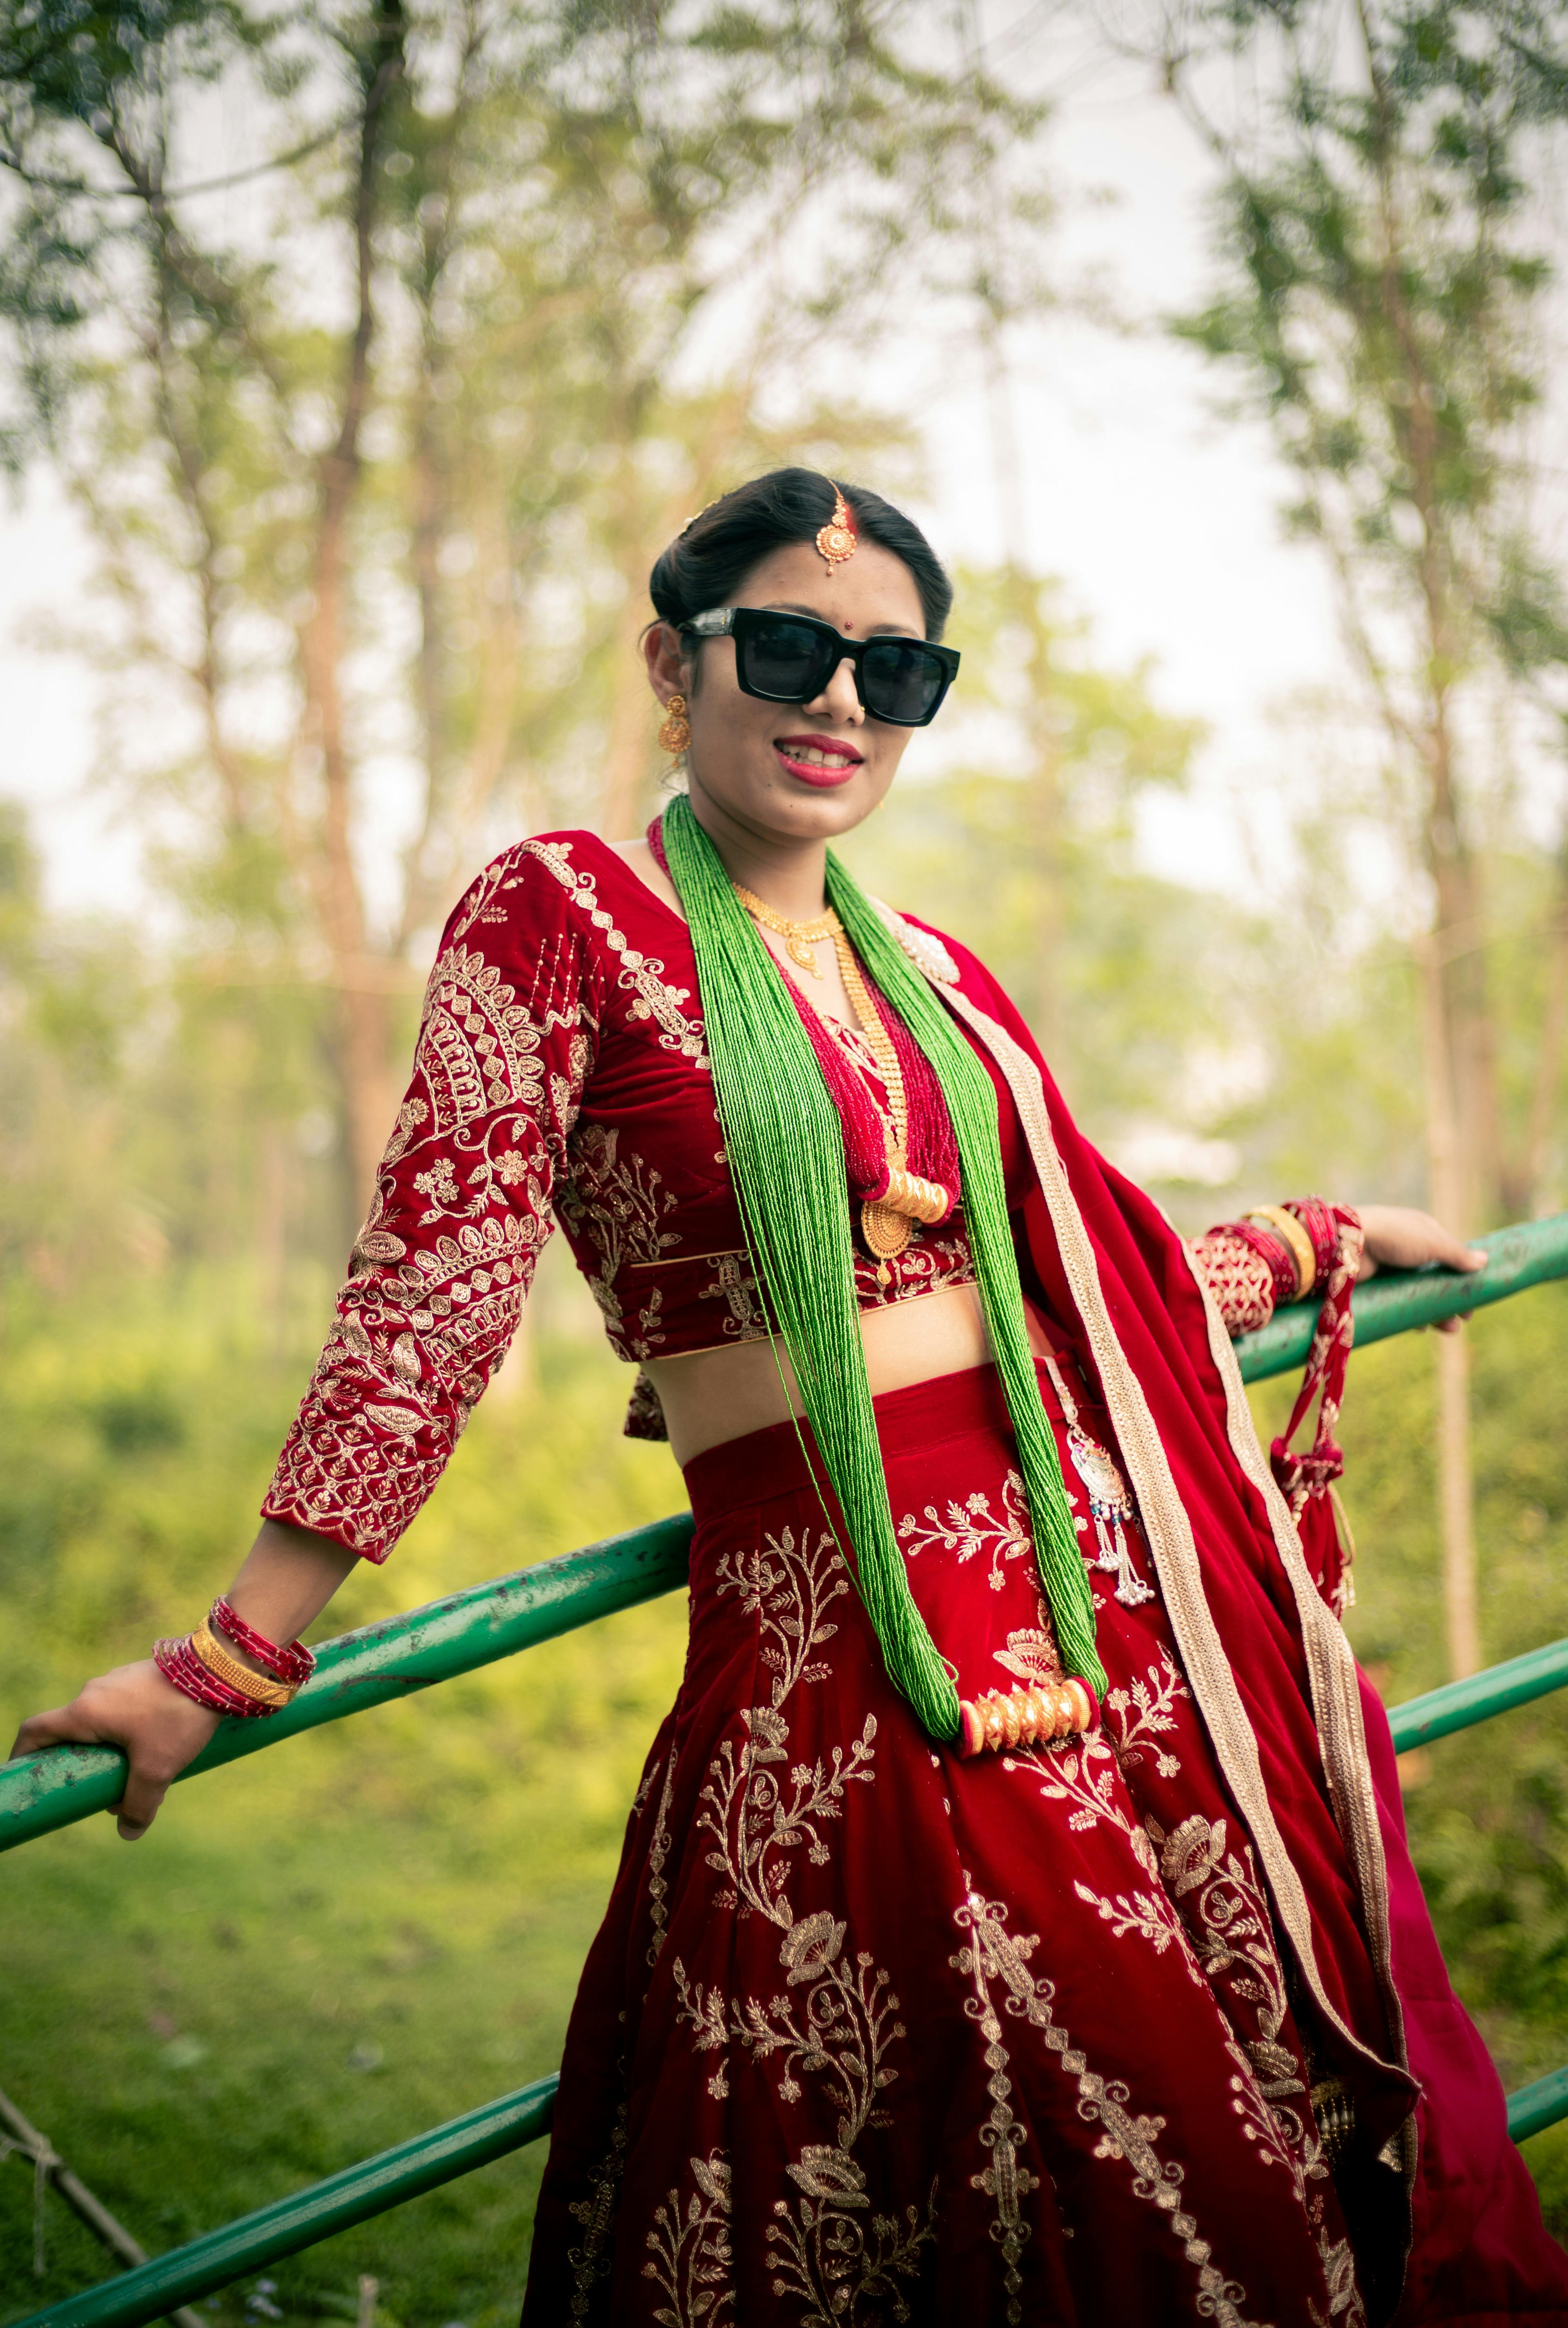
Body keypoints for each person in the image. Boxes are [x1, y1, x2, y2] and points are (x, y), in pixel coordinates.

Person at [11, 469, 1566, 2326]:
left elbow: (1073, 1287)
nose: (839, 701)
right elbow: (428, 1294)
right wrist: (233, 1659)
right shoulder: (561, 917)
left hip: (1111, 1653)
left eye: (893, 674)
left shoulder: (938, 977)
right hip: (854, 1669)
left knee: (1230, 2183)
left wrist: (1312, 1242)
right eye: (792, 647)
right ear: (676, 660)